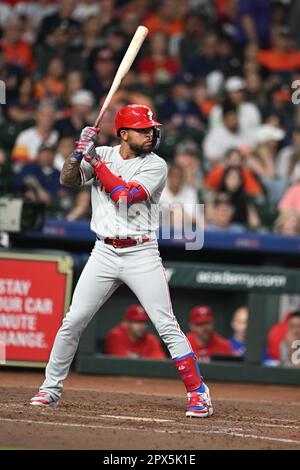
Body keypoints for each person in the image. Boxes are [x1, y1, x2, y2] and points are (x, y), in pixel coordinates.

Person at [30, 104, 213, 419]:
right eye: (143, 130)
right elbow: (68, 180)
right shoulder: (103, 153)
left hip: (141, 252)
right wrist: (77, 152)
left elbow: (124, 196)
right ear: (124, 134)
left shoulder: (156, 165)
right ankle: (50, 388)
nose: (151, 134)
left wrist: (94, 160)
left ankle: (199, 394)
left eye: (151, 129)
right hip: (103, 251)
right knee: (74, 320)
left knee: (165, 324)